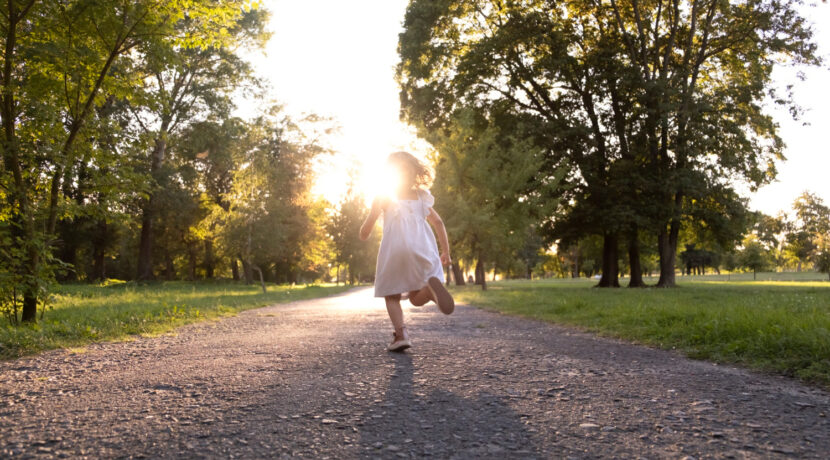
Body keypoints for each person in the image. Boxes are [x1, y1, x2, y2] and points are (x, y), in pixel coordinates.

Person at [359, 151, 455, 352]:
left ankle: (401, 334)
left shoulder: (383, 196)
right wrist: (446, 252)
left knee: (391, 295)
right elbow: (438, 222)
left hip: (395, 250)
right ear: (415, 173)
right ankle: (429, 290)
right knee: (415, 297)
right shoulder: (421, 197)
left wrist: (363, 233)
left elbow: (366, 228)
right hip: (422, 249)